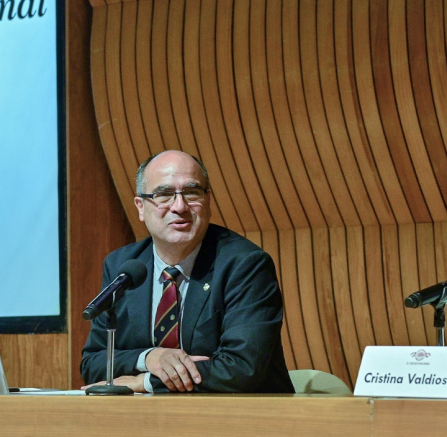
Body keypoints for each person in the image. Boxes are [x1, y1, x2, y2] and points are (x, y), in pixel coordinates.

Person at [80, 150, 294, 393]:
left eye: (192, 192)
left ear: (208, 200)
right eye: (163, 194)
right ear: (141, 207)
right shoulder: (123, 265)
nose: (179, 206)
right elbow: (94, 362)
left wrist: (147, 381)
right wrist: (150, 358)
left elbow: (242, 368)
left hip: (240, 419)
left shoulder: (245, 264)